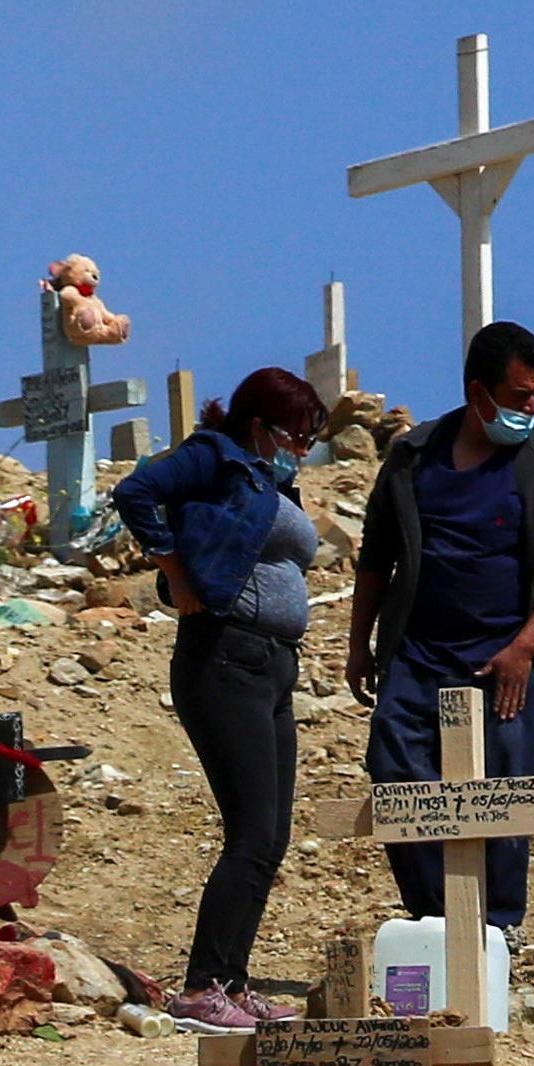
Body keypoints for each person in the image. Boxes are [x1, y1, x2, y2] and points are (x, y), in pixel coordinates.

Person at [344, 322, 534, 939]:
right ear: (478, 393)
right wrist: (359, 644)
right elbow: (377, 555)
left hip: (505, 658)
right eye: (517, 396)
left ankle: (497, 927)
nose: (530, 408)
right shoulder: (413, 458)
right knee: (396, 773)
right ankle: (435, 915)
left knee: (505, 790)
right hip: (419, 656)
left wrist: (525, 647)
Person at [110, 366, 328, 1021]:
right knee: (250, 831)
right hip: (225, 657)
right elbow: (136, 492)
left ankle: (231, 983)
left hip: (272, 667)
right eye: (295, 434)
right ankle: (203, 984)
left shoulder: (271, 479)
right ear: (260, 423)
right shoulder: (215, 456)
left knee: (271, 836)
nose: (301, 448)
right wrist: (174, 571)